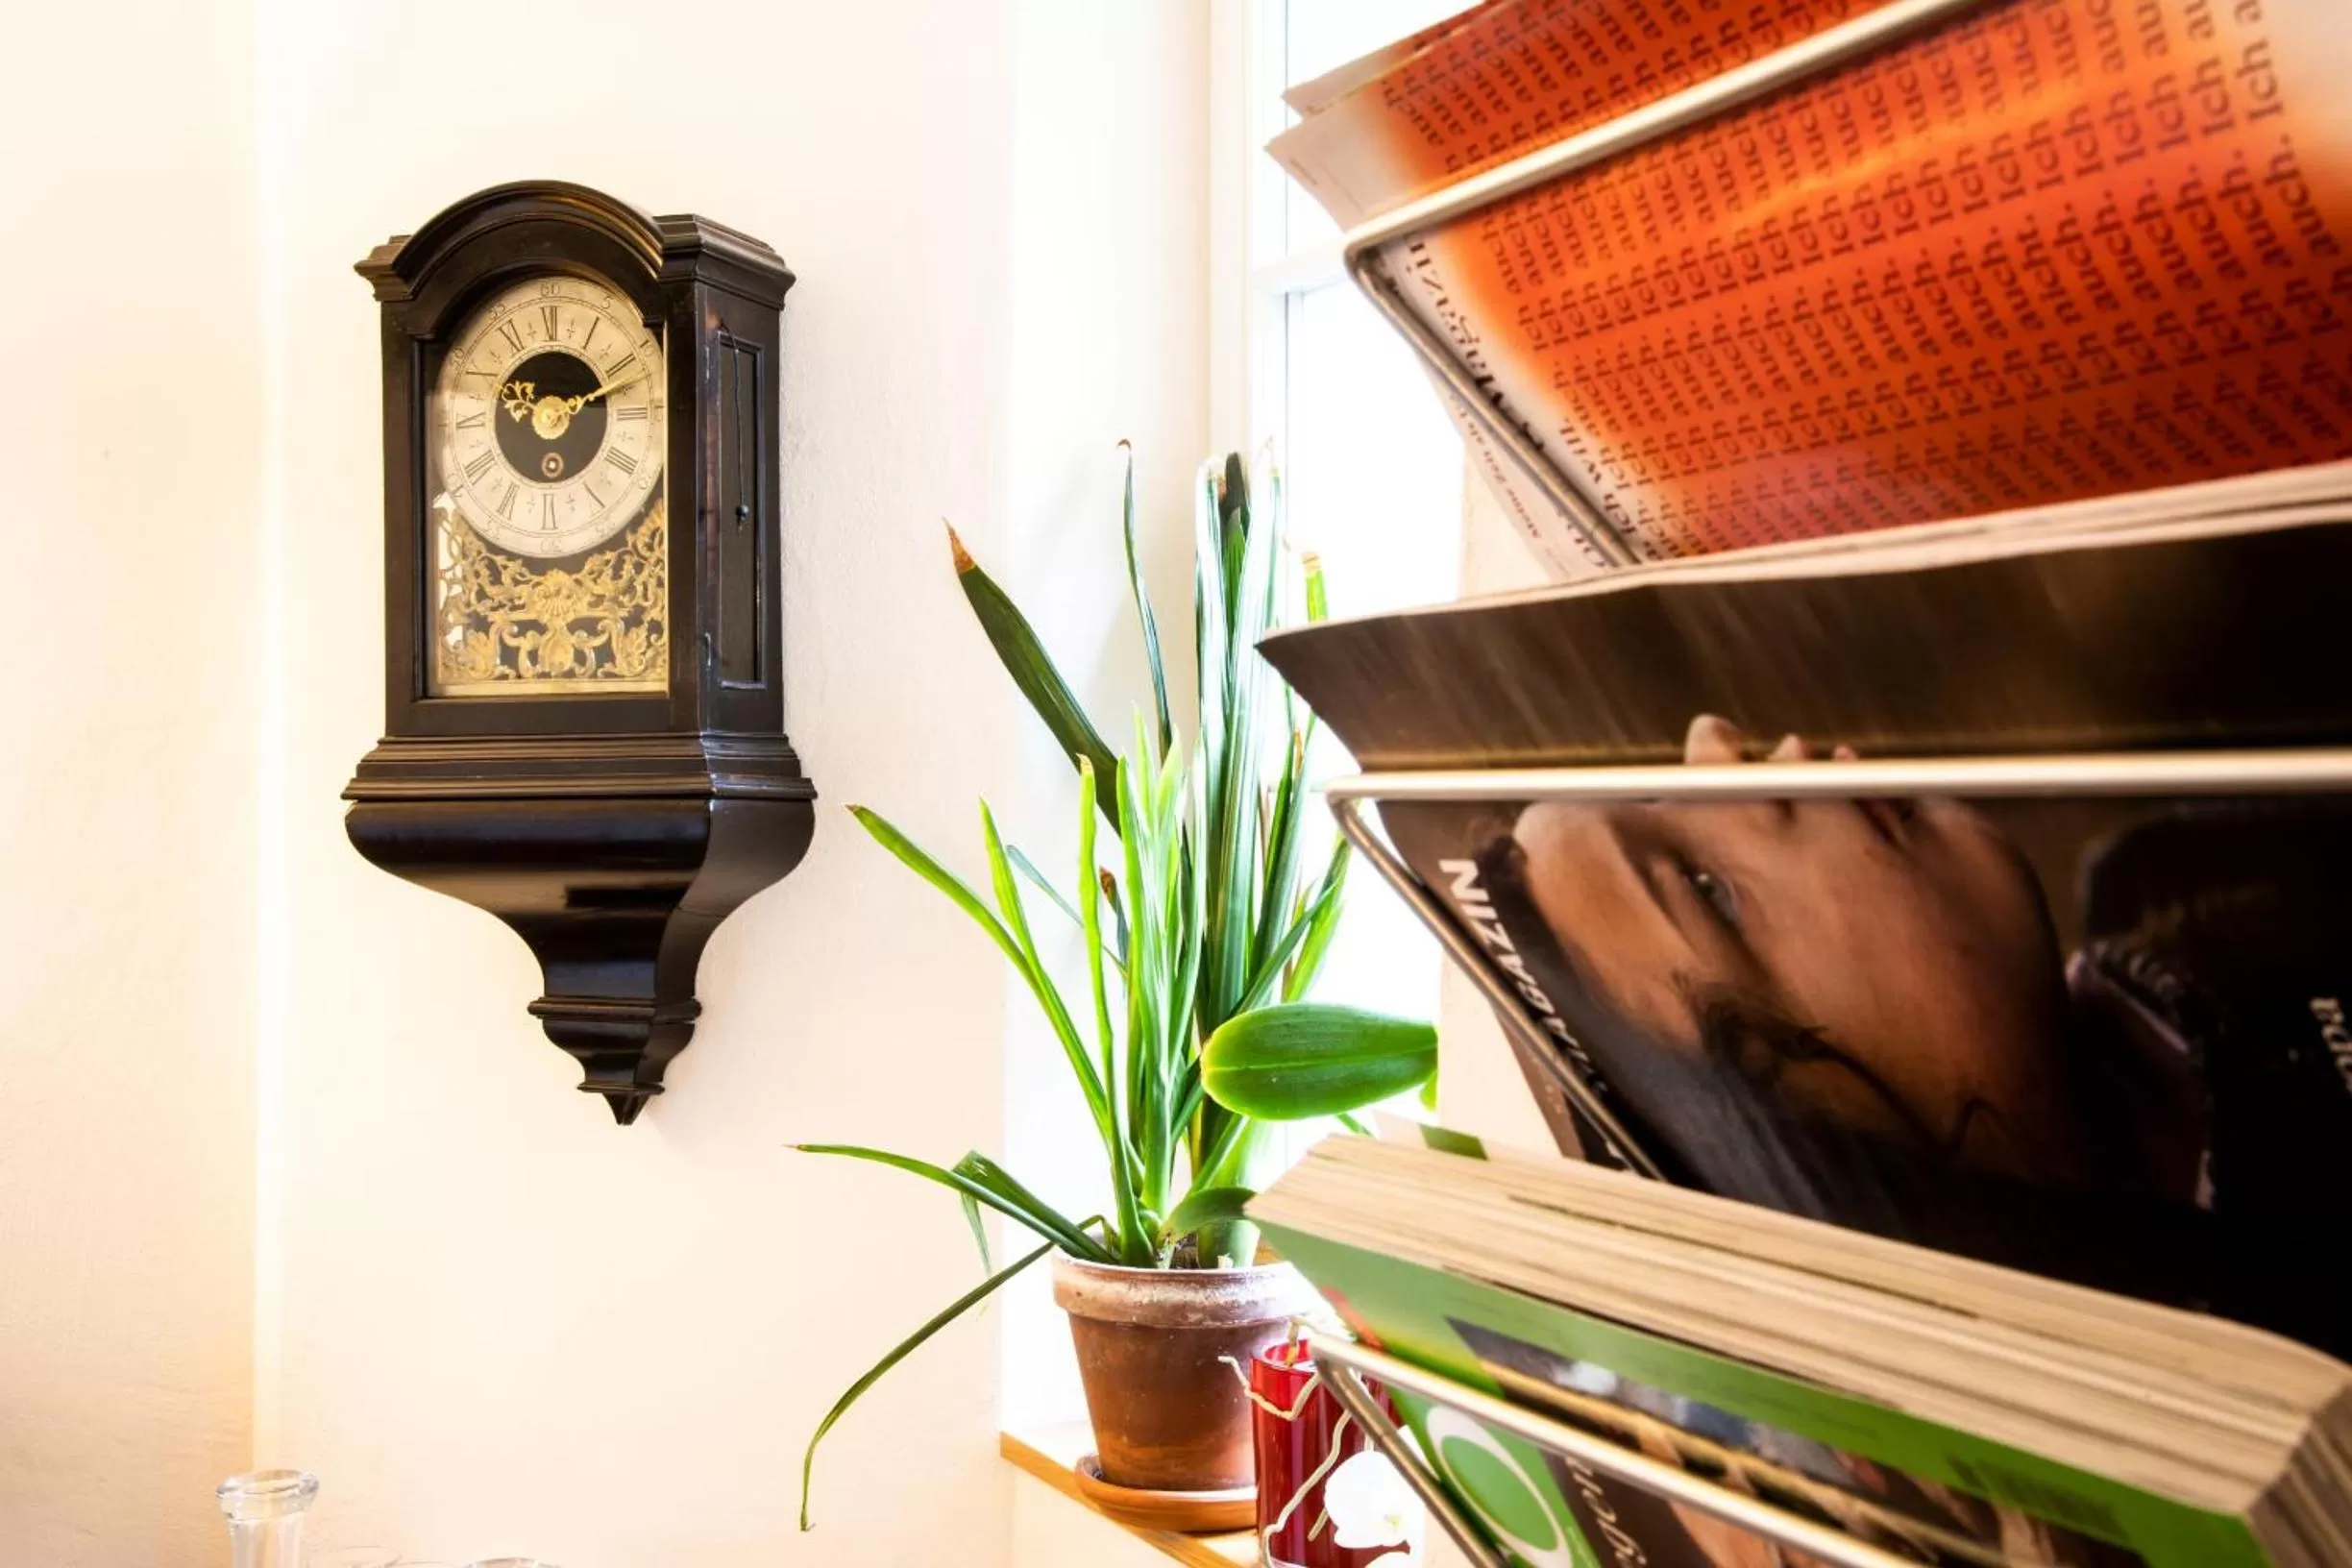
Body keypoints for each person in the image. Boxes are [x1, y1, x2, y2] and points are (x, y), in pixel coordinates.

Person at [1458, 714, 2352, 1354]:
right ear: (1842, 1179)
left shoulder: (2179, 882)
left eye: (1660, 793)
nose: (1712, 739)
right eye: (1709, 891)